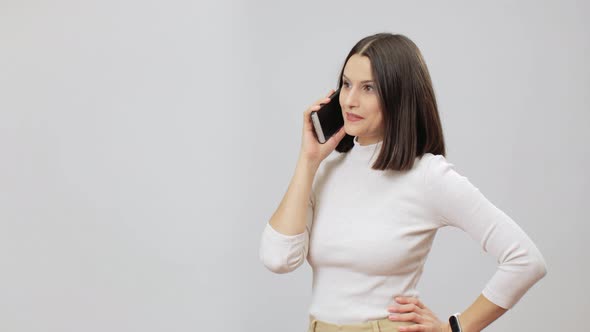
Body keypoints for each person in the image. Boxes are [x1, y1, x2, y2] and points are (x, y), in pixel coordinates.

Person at [258, 33, 547, 332]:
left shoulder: (427, 176)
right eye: (346, 84)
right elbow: (278, 259)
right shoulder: (325, 169)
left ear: (398, 95)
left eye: (368, 87)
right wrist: (308, 160)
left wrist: (455, 328)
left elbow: (526, 260)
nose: (350, 100)